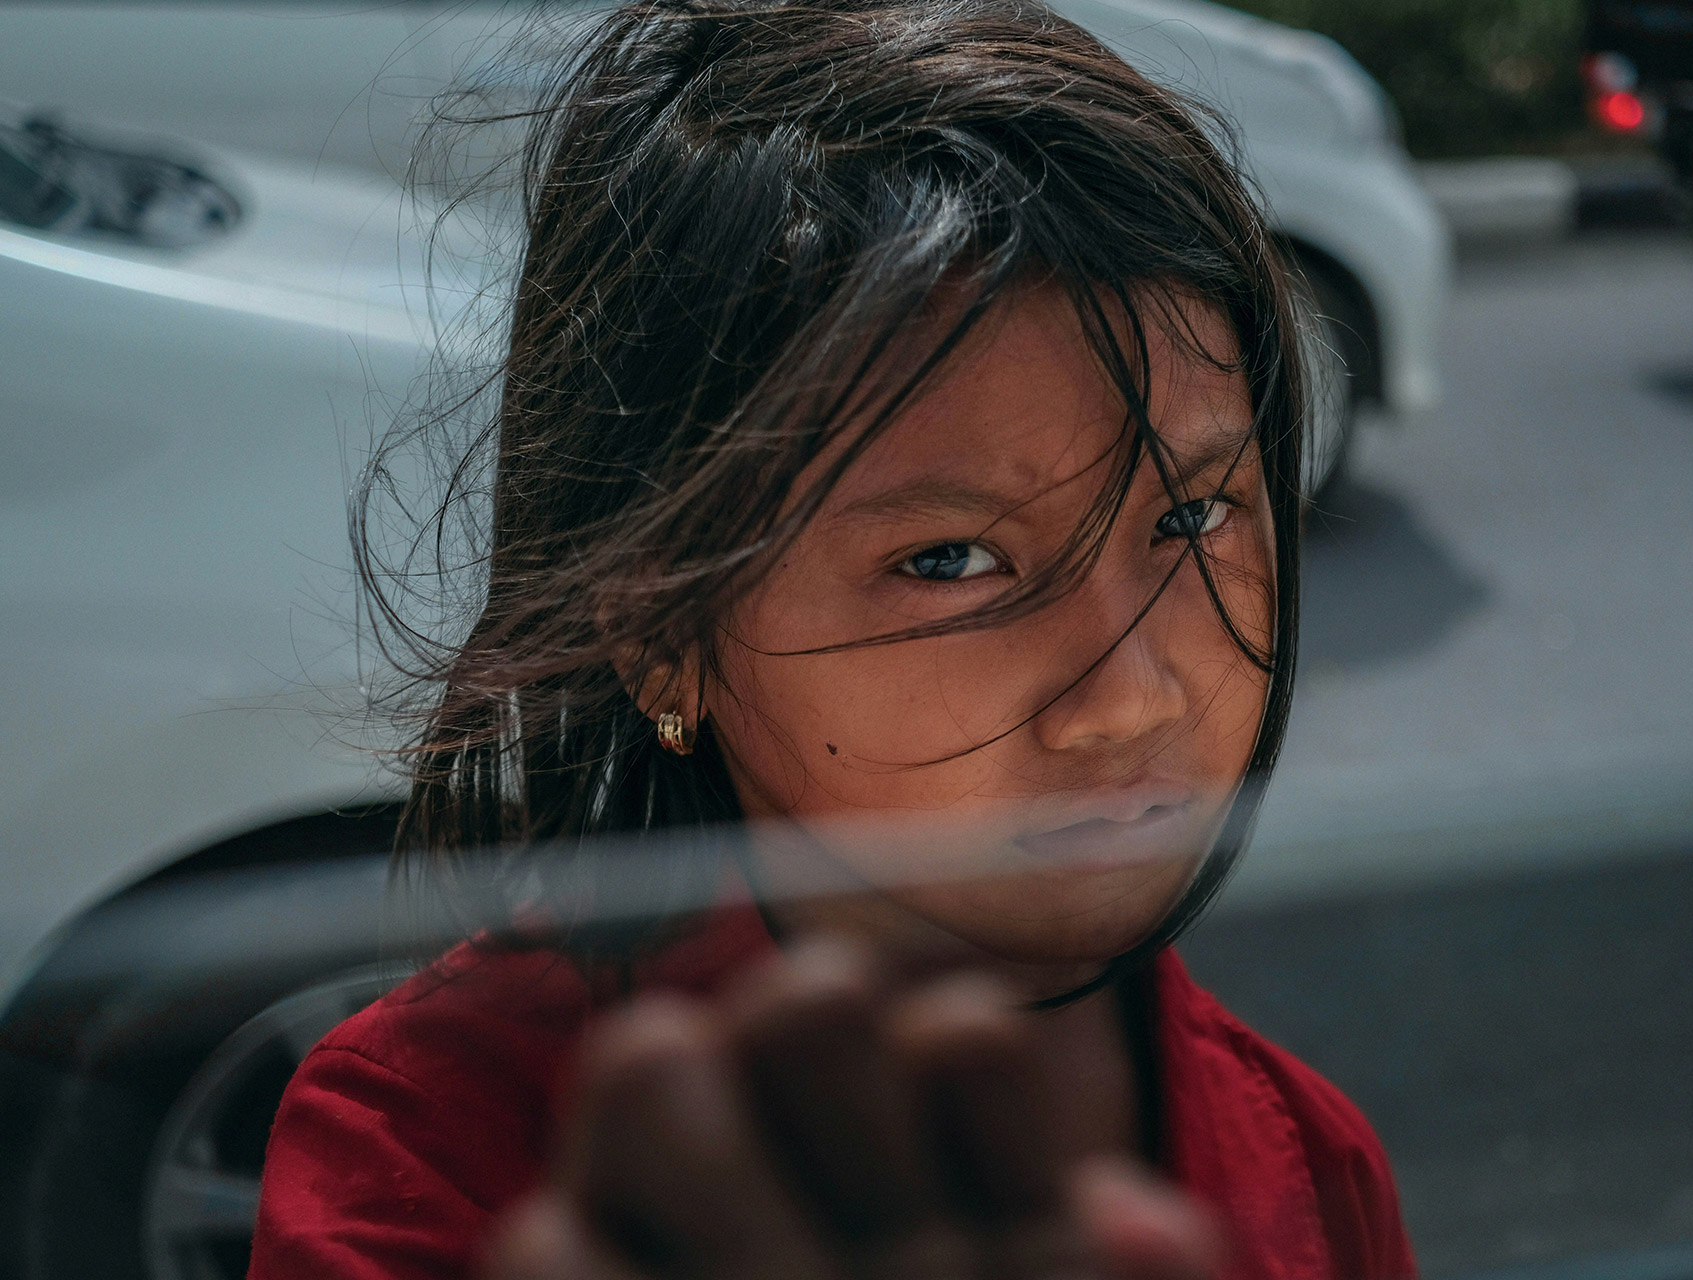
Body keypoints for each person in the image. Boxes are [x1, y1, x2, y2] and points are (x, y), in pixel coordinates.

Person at [248, 0, 1417, 1277]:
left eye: (1192, 515)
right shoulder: (423, 1157)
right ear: (657, 628)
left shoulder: (1311, 1160)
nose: (1128, 697)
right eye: (949, 563)